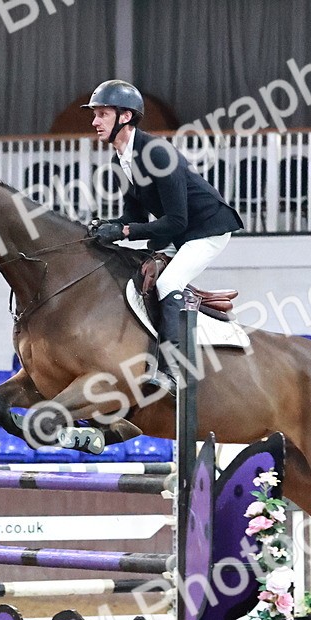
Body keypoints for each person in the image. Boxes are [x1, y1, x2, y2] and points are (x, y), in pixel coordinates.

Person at [84, 79, 243, 390]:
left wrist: (126, 230)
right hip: (179, 232)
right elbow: (135, 218)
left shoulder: (157, 152)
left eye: (102, 114)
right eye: (95, 114)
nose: (94, 122)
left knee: (169, 282)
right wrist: (111, 227)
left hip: (207, 229)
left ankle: (174, 372)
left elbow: (176, 220)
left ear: (125, 117)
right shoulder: (120, 160)